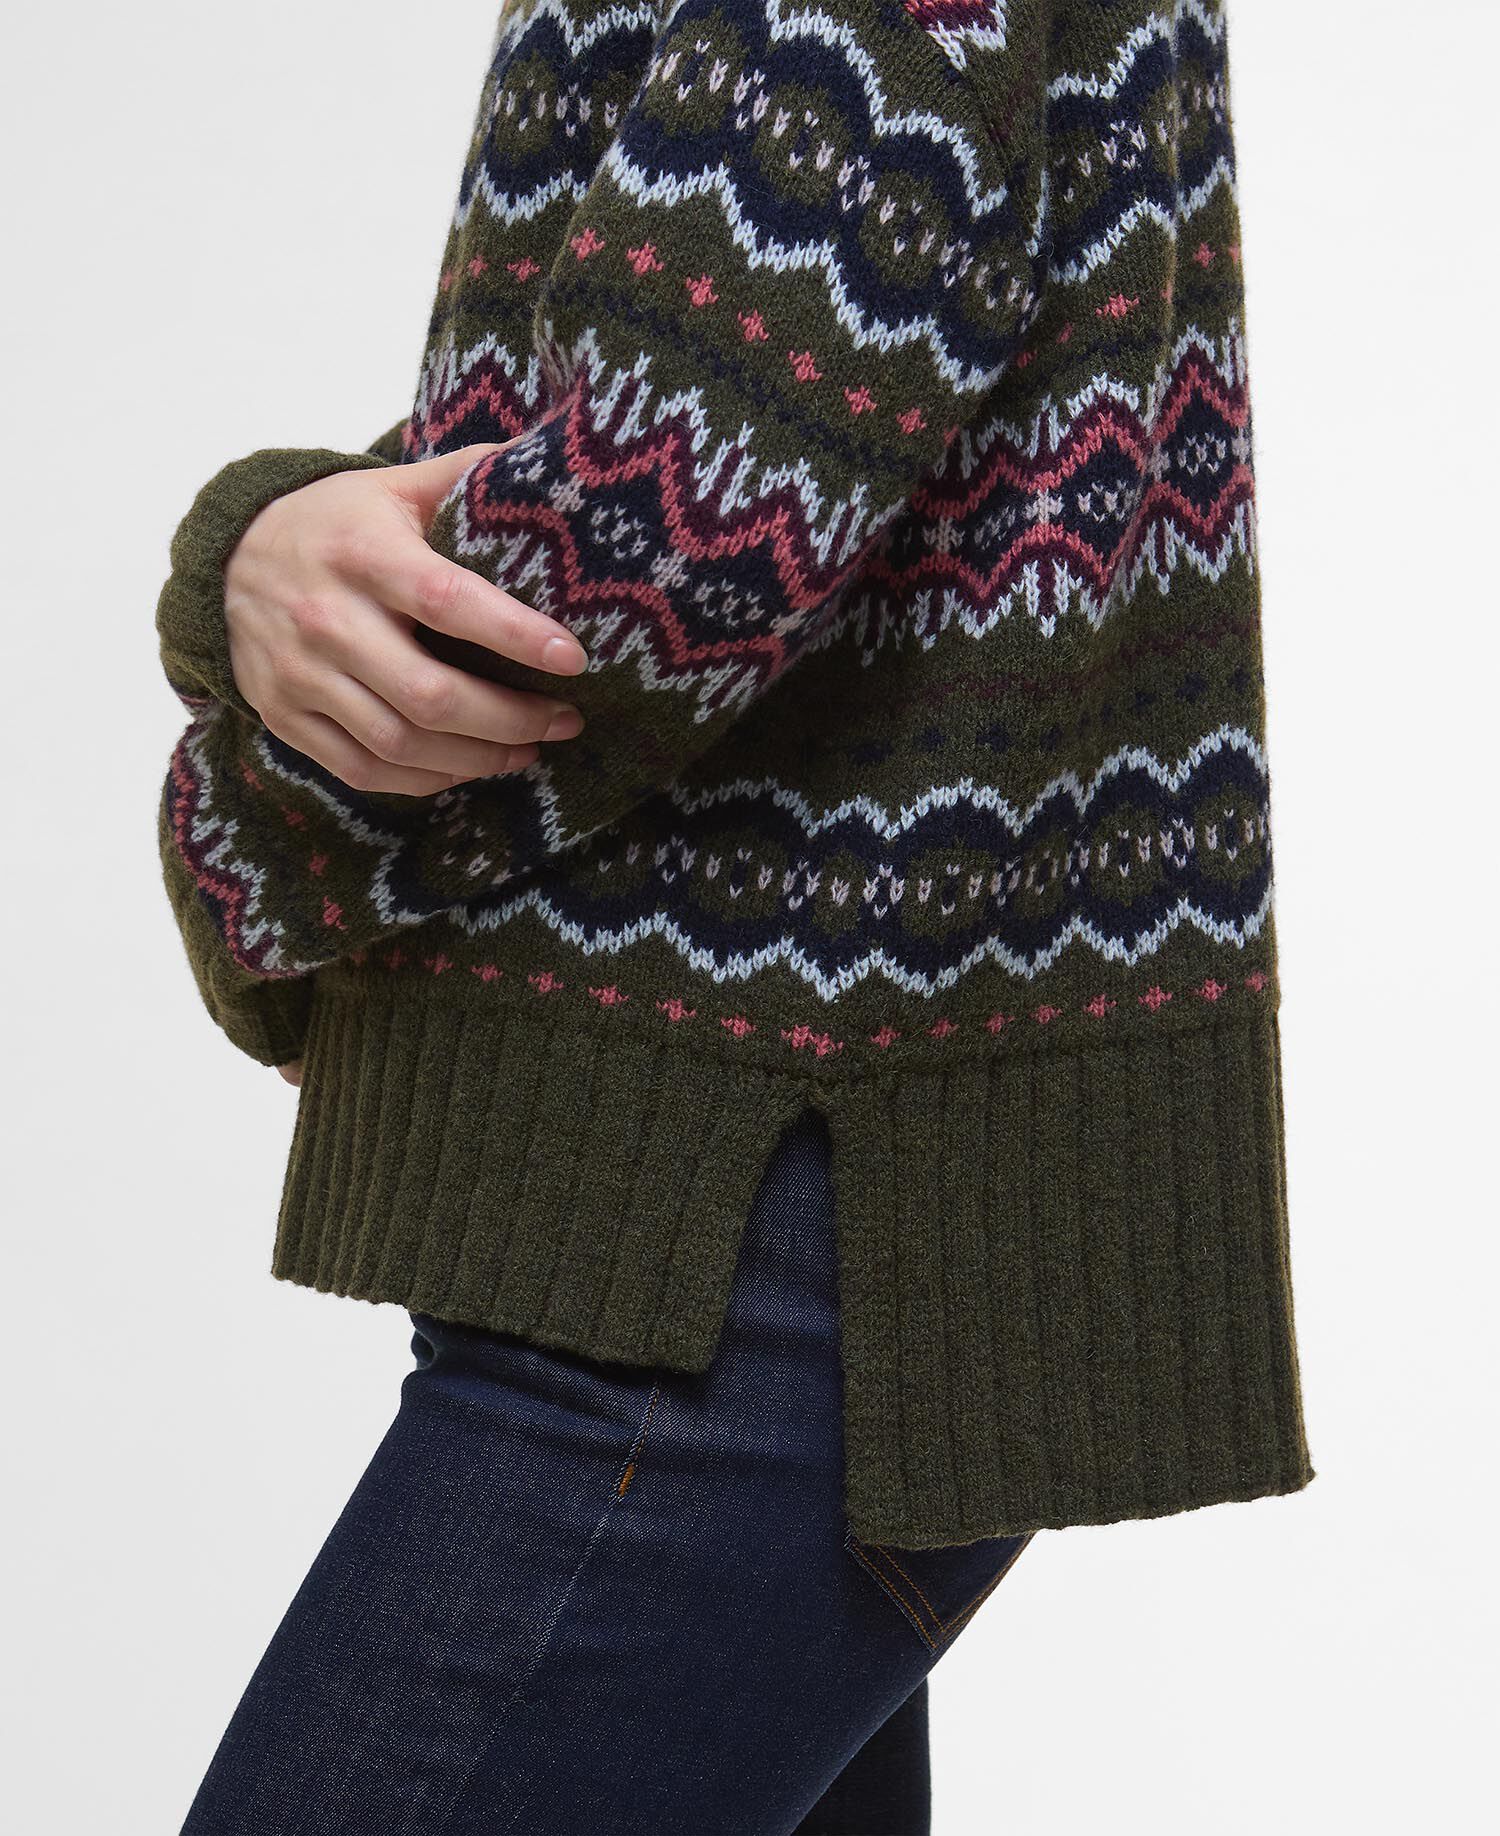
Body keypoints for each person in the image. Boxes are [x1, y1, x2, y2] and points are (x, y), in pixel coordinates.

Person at [154, 0, 1314, 1829]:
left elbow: (673, 520)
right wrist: (268, 540)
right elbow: (725, 387)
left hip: (737, 1231)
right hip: (778, 1194)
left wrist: (242, 840)